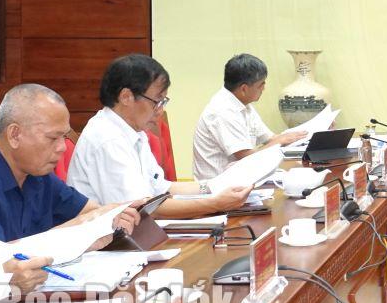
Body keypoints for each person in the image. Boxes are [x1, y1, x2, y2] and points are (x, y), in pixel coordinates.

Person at [68, 54, 253, 218]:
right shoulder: (107, 138)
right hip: (109, 242)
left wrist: (217, 185)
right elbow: (144, 209)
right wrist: (216, 203)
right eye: (157, 101)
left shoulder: (133, 131)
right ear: (126, 97)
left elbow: (163, 188)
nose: (160, 110)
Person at [0, 84, 140, 243]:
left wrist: (117, 213)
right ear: (15, 135)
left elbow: (91, 212)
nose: (62, 147)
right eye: (53, 138)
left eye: (64, 136)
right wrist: (70, 234)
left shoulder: (39, 175)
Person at [192, 54, 306, 181]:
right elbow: (246, 157)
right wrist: (280, 141)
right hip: (218, 186)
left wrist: (304, 138)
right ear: (244, 89)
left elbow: (270, 139)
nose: (264, 88)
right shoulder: (222, 111)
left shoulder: (243, 104)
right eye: (261, 84)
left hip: (239, 179)